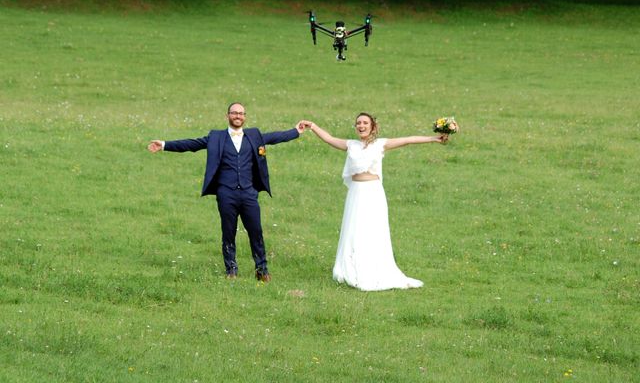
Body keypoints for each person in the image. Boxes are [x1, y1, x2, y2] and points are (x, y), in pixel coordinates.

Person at [148, 102, 306, 282]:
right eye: (234, 113)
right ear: (227, 116)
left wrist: (296, 131)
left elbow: (275, 137)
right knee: (228, 232)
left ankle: (261, 269)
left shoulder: (254, 135)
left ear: (244, 116)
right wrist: (164, 144)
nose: (238, 116)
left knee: (256, 231)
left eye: (241, 113)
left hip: (248, 193)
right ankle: (231, 269)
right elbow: (192, 144)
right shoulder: (216, 137)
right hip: (226, 194)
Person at [305, 113, 448, 291]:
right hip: (356, 193)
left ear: (372, 127)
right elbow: (329, 138)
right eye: (358, 123)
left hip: (373, 193)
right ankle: (353, 267)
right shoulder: (351, 145)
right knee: (354, 230)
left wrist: (433, 138)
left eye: (365, 123)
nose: (361, 125)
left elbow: (408, 140)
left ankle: (373, 269)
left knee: (372, 230)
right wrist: (312, 125)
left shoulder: (380, 144)